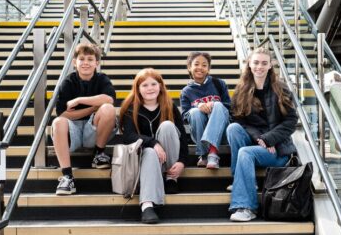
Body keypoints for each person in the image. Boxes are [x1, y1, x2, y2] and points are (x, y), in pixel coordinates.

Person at [226, 47, 298, 222]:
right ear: (249, 65)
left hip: (278, 150)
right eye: (256, 62)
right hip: (258, 142)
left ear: (270, 65)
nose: (259, 66)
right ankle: (240, 179)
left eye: (264, 63)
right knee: (233, 129)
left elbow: (290, 121)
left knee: (245, 152)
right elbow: (239, 120)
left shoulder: (281, 89)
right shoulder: (241, 91)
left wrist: (269, 138)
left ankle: (247, 207)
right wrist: (260, 138)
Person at [120, 68, 188, 224]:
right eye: (144, 85)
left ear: (160, 86)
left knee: (167, 126)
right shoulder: (130, 108)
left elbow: (183, 137)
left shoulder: (169, 105)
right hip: (144, 161)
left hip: (168, 161)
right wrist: (153, 142)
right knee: (150, 151)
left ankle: (171, 178)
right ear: (137, 89)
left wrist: (182, 161)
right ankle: (147, 205)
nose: (150, 88)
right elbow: (128, 137)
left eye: (153, 84)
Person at [52, 43, 117, 196]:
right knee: (57, 122)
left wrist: (79, 100)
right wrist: (93, 108)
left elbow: (109, 99)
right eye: (81, 59)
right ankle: (67, 177)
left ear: (97, 63)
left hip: (93, 131)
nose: (86, 62)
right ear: (75, 62)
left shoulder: (102, 79)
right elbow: (63, 114)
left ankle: (99, 154)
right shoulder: (68, 82)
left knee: (108, 109)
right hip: (72, 133)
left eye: (90, 59)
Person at [180, 51, 230, 169]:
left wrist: (214, 104)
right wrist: (198, 106)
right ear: (189, 67)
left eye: (204, 65)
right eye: (196, 64)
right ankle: (203, 155)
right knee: (194, 112)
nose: (200, 68)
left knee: (218, 105)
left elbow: (229, 107)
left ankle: (212, 153)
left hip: (222, 132)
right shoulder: (186, 91)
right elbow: (184, 117)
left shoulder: (219, 83)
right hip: (199, 133)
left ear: (208, 68)